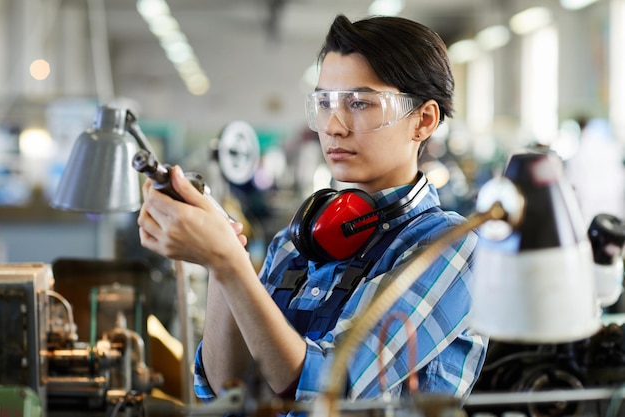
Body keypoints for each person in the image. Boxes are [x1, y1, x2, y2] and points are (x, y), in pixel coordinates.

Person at [137, 13, 487, 410]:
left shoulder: (451, 247)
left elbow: (331, 389)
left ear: (423, 121)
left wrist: (231, 262)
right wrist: (222, 263)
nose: (333, 125)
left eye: (359, 102)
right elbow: (228, 390)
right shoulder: (297, 242)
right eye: (324, 102)